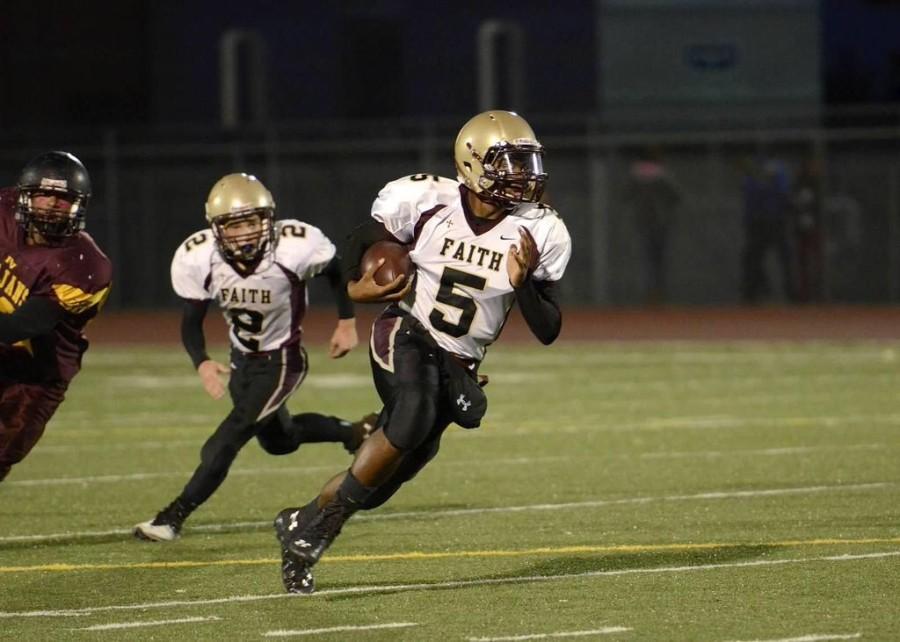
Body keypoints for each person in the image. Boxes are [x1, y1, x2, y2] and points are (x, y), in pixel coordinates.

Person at [273, 110, 572, 594]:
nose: (522, 174)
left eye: (526, 162)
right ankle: (320, 532)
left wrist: (524, 286)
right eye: (509, 162)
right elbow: (362, 240)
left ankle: (300, 521)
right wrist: (358, 288)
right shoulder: (427, 200)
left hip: (458, 363)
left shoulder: (540, 230)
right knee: (411, 414)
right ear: (474, 163)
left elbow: (549, 329)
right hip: (407, 330)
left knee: (385, 478)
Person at [133, 173, 375, 542]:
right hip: (242, 361)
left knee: (226, 440)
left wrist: (346, 322)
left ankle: (171, 518)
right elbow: (191, 320)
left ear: (269, 219)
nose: (244, 233)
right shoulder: (199, 258)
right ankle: (356, 431)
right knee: (281, 440)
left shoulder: (294, 246)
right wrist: (200, 360)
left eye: (251, 221)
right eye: (234, 225)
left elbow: (336, 269)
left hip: (283, 361)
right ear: (216, 229)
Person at [0, 151, 112, 482]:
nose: (50, 204)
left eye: (62, 199)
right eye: (43, 194)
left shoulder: (85, 266)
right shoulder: (3, 210)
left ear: (78, 206)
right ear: (23, 196)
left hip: (33, 378)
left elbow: (19, 326)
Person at [624, 146, 682, 303]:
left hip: (643, 220)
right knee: (658, 260)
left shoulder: (636, 173)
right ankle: (658, 293)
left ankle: (649, 294)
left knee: (646, 259)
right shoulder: (662, 173)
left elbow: (626, 194)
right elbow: (676, 194)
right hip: (660, 220)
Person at [739, 156, 796, 303]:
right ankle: (752, 294)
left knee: (785, 258)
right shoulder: (751, 174)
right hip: (757, 222)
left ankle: (792, 294)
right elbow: (749, 196)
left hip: (777, 221)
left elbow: (784, 194)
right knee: (752, 259)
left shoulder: (779, 170)